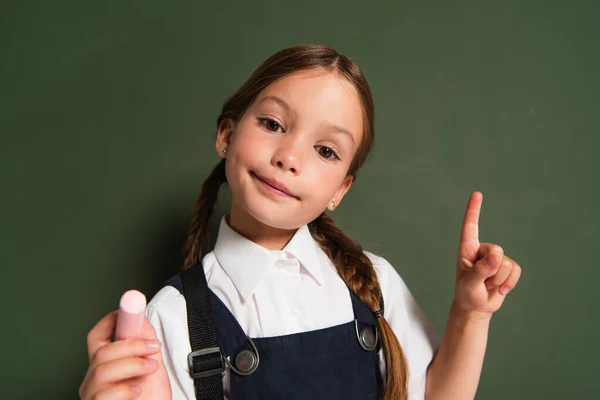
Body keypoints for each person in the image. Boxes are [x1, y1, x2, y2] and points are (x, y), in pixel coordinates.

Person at [79, 44, 522, 400]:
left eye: (325, 151)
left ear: (340, 190)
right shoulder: (171, 319)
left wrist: (471, 314)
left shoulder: (373, 283)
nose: (289, 157)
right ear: (227, 135)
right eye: (272, 123)